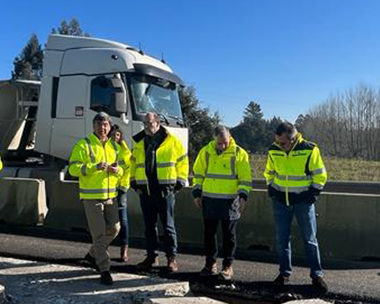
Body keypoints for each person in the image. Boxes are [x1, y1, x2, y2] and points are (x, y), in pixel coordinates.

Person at [264, 121, 329, 292]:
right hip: (280, 201)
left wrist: (312, 194)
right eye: (277, 142)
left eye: (282, 143)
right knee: (282, 240)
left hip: (303, 202)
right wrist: (271, 188)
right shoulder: (273, 150)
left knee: (310, 240)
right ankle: (284, 273)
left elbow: (320, 174)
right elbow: (269, 171)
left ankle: (317, 275)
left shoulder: (309, 149)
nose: (279, 145)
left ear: (293, 139)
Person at [68, 112, 122, 285]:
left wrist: (117, 171)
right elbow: (73, 169)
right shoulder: (84, 144)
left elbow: (123, 168)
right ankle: (104, 269)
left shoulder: (114, 146)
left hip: (111, 196)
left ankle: (93, 254)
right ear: (94, 126)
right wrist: (93, 167)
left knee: (114, 229)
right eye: (99, 124)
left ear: (109, 127)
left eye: (105, 124)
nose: (103, 127)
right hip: (91, 196)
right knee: (99, 234)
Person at [192, 125, 252, 280]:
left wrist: (243, 196)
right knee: (209, 235)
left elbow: (245, 178)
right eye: (219, 143)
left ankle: (227, 266)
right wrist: (197, 193)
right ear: (214, 139)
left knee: (229, 236)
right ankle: (210, 264)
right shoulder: (205, 152)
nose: (222, 146)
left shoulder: (239, 153)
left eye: (225, 142)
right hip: (210, 200)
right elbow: (198, 174)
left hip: (230, 201)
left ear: (230, 137)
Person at [130, 112, 188, 272]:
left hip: (165, 191)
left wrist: (179, 184)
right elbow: (133, 163)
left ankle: (171, 259)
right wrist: (134, 184)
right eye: (145, 124)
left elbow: (183, 162)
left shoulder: (172, 141)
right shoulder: (139, 142)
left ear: (158, 123)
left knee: (168, 226)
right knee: (149, 226)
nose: (147, 127)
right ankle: (151, 257)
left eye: (150, 124)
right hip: (146, 190)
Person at [109, 124, 133, 262]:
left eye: (117, 135)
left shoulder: (125, 152)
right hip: (107, 189)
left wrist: (123, 186)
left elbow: (128, 170)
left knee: (123, 221)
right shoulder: (105, 149)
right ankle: (101, 249)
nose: (115, 137)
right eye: (113, 135)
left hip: (121, 189)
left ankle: (124, 250)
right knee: (107, 222)